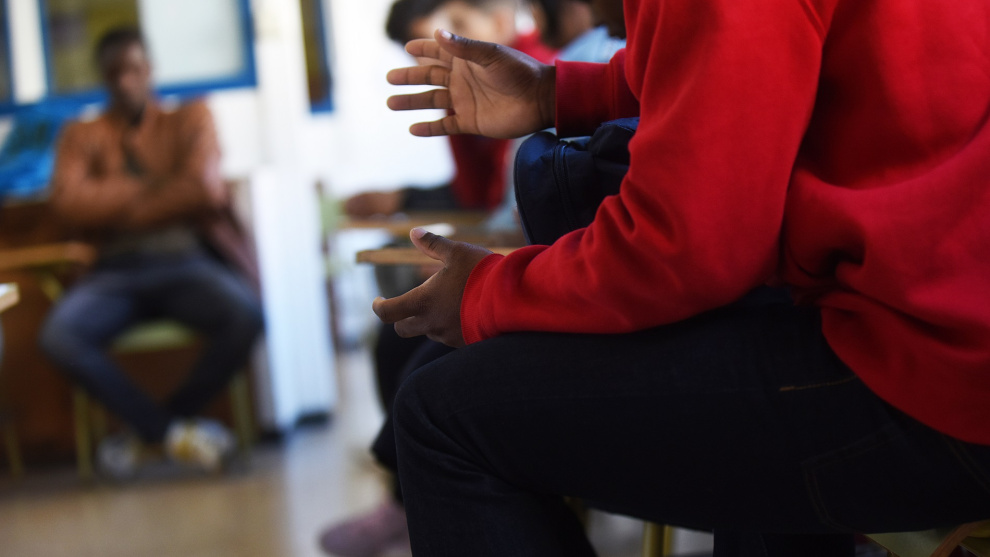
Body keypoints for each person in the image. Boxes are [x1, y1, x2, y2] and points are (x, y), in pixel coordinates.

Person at [374, 0, 990, 555]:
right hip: (944, 330)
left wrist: (487, 291)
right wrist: (558, 93)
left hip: (940, 378)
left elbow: (685, 247)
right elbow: (741, 70)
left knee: (439, 416)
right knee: (736, 333)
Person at [39, 28, 263, 478]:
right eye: (114, 73)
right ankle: (173, 434)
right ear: (103, 78)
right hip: (112, 273)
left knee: (246, 315)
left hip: (183, 262)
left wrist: (111, 200)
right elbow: (67, 202)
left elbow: (202, 188)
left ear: (151, 70)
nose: (126, 81)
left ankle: (156, 431)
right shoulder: (81, 134)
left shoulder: (191, 118)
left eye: (134, 69)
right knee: (58, 337)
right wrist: (155, 189)